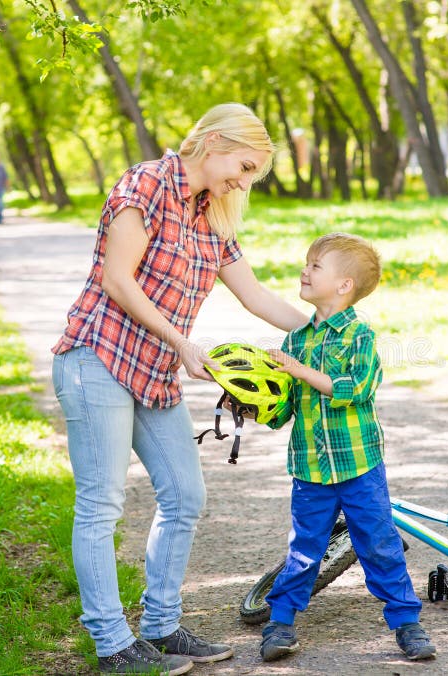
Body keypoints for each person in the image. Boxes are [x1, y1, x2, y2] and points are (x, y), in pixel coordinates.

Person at [51, 103, 308, 675]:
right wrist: (182, 342)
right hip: (97, 357)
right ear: (214, 144)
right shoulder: (145, 184)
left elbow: (255, 296)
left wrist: (330, 331)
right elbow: (117, 280)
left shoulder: (213, 215)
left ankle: (161, 628)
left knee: (185, 495)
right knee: (101, 504)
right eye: (243, 167)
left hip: (153, 372)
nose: (244, 182)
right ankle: (112, 645)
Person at [259, 232, 436, 663]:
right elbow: (284, 410)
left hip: (358, 465)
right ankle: (280, 622)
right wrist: (253, 403)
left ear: (344, 285)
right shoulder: (296, 340)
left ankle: (407, 623)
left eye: (315, 266)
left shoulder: (360, 336)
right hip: (310, 468)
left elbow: (356, 388)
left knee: (379, 544)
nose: (304, 271)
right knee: (305, 549)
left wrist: (300, 371)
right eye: (307, 263)